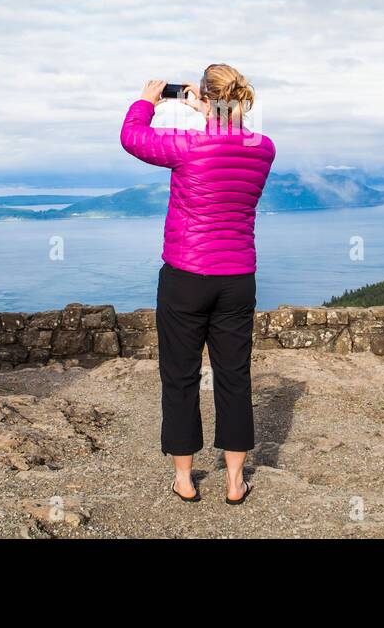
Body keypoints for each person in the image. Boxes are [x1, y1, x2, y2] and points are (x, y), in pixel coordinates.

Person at [119, 64, 276, 505]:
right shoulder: (263, 148)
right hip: (237, 279)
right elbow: (233, 139)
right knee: (233, 376)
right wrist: (209, 113)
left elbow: (133, 139)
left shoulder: (187, 146)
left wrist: (148, 102)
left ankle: (185, 480)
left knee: (181, 376)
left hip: (186, 276)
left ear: (206, 97)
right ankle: (234, 481)